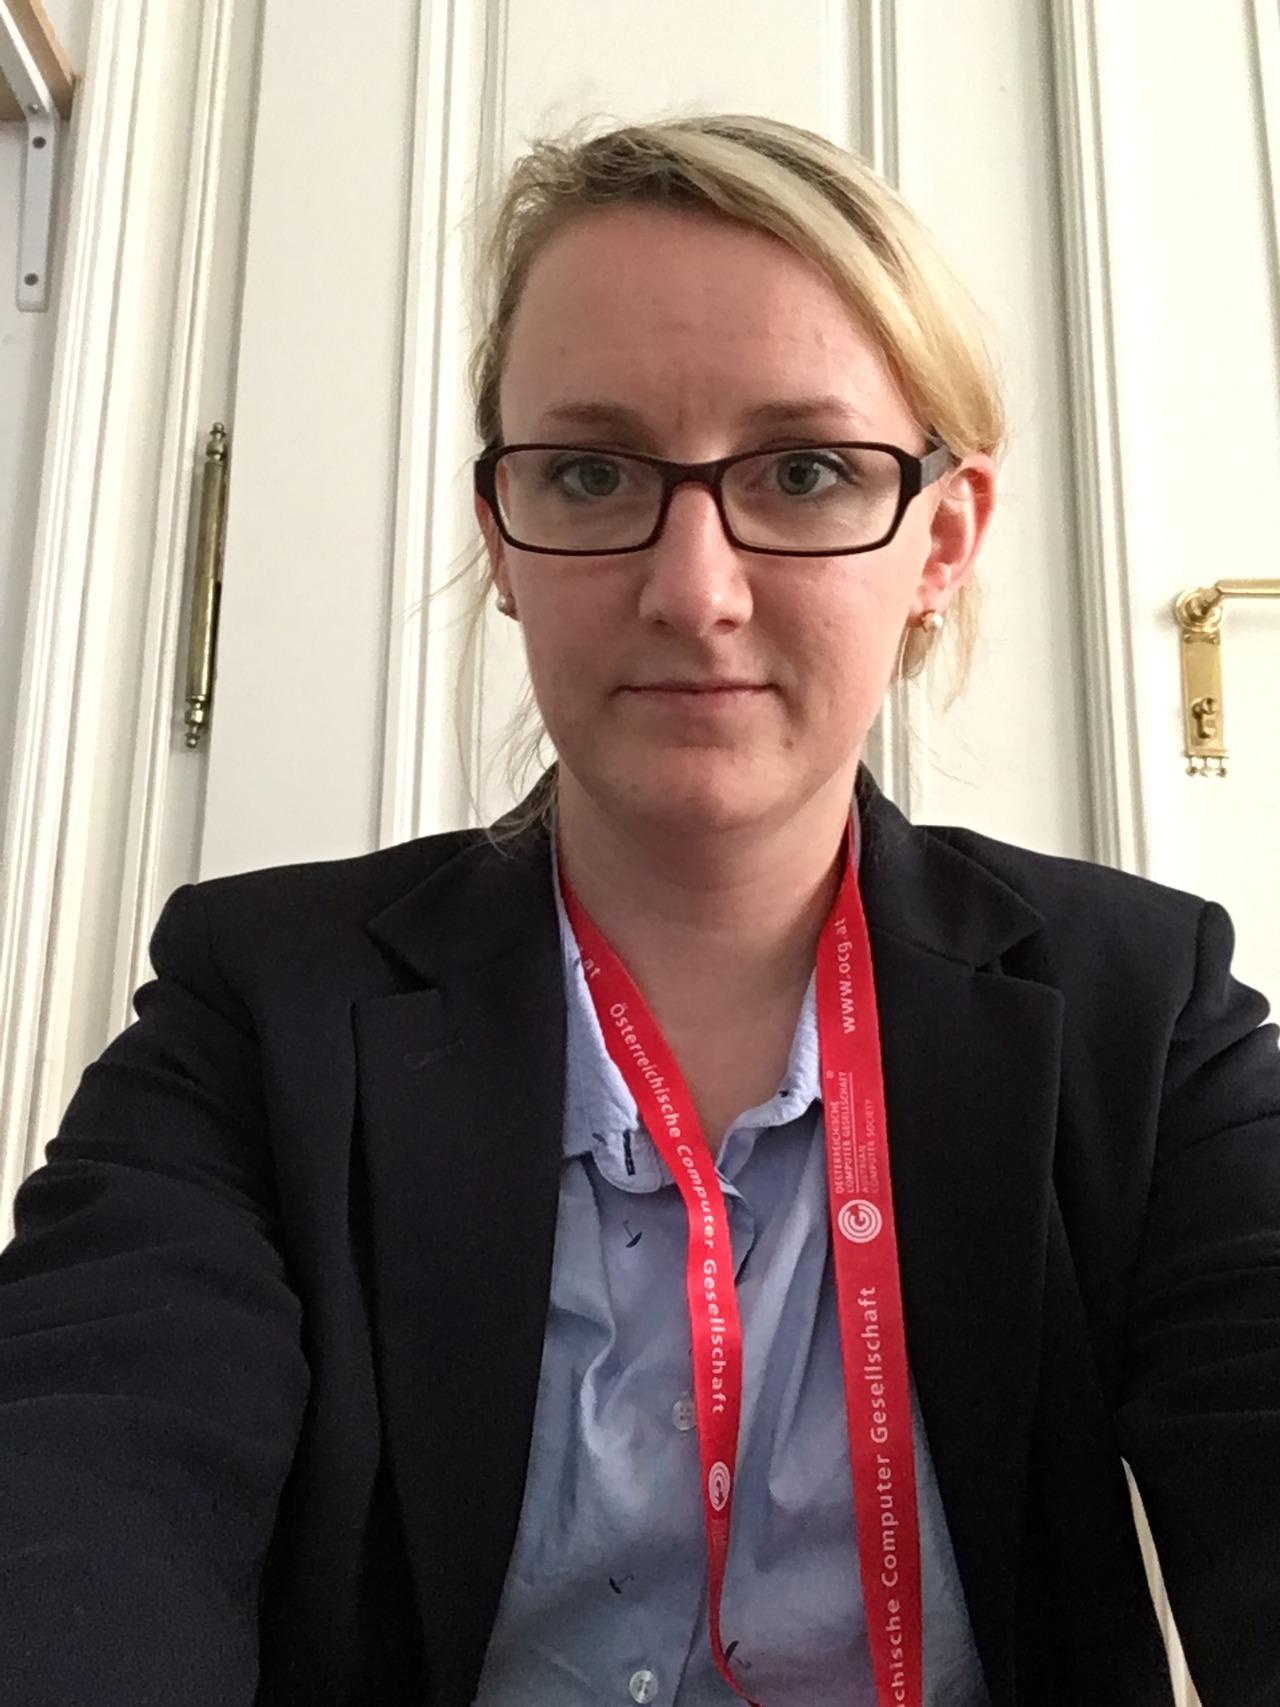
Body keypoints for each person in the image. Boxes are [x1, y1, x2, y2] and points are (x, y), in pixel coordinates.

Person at [1, 112, 1278, 1707]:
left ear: (940, 541)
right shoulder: (260, 1005)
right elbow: (87, 1475)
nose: (694, 591)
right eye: (593, 473)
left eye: (805, 472)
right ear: (503, 538)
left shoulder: (1146, 1014)